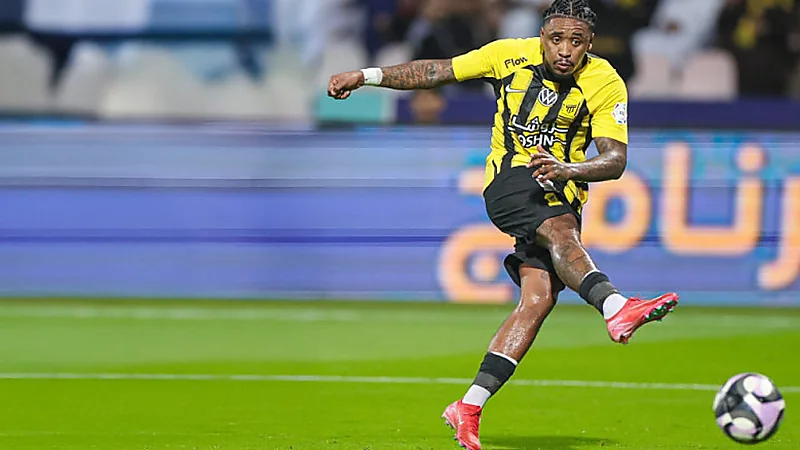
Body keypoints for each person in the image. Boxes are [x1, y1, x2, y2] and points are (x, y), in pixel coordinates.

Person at [327, 1, 678, 449]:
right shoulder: (507, 55)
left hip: (561, 191)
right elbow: (436, 71)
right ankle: (615, 306)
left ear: (590, 44)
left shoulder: (605, 81)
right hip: (510, 182)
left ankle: (468, 406)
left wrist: (569, 169)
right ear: (542, 36)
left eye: (576, 42)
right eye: (556, 39)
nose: (565, 50)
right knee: (561, 232)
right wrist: (366, 75)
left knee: (538, 299)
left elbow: (615, 160)